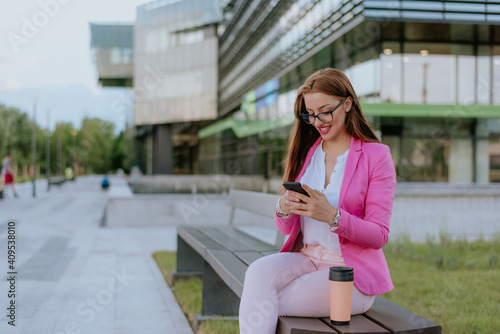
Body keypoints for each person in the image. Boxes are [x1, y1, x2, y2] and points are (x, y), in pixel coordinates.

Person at [239, 68, 397, 334]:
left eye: (325, 111)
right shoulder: (307, 152)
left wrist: (332, 216)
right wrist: (284, 207)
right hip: (306, 259)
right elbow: (286, 228)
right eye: (310, 114)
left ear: (347, 103)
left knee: (264, 303)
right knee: (256, 273)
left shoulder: (376, 156)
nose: (317, 121)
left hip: (348, 275)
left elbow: (379, 235)